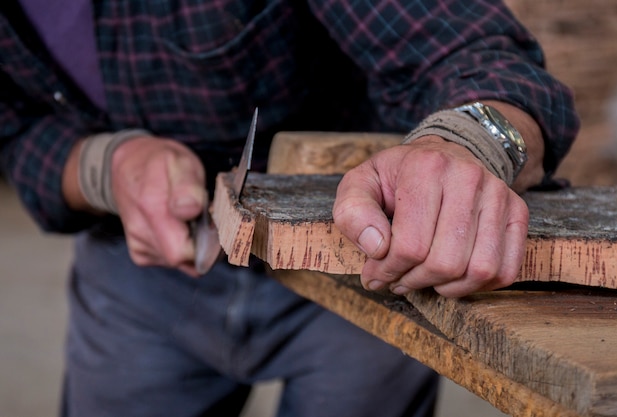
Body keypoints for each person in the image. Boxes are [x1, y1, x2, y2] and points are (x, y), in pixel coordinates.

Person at [0, 0, 579, 416]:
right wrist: (104, 167)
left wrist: (469, 141)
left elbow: (473, 50)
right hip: (137, 267)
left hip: (355, 263)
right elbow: (15, 133)